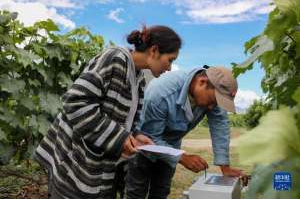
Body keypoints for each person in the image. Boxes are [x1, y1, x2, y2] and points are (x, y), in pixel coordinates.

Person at [34, 25, 182, 199]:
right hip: (74, 162)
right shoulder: (114, 58)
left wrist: (135, 136)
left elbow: (122, 121)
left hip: (98, 167)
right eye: (170, 60)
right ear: (154, 50)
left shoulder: (140, 79)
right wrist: (120, 138)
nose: (170, 68)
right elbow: (75, 102)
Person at [126, 66, 246, 199]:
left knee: (161, 191)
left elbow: (220, 125)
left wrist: (225, 166)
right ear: (202, 82)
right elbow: (151, 138)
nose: (212, 107)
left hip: (172, 144)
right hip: (144, 142)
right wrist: (182, 158)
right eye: (212, 102)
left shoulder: (214, 97)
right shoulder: (161, 92)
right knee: (136, 191)